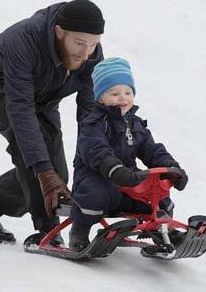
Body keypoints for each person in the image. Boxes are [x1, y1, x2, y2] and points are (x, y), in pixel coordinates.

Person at [0, 0, 105, 244]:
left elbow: (89, 111)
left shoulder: (90, 53)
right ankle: (47, 229)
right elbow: (20, 109)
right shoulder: (24, 39)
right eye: (80, 43)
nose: (86, 53)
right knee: (33, 154)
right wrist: (43, 172)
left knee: (58, 173)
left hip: (43, 96)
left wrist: (96, 157)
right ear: (60, 32)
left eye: (93, 44)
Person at [68, 57, 189, 251]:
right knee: (95, 192)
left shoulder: (135, 123)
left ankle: (163, 229)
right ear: (100, 97)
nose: (123, 98)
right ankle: (79, 230)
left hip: (128, 180)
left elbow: (151, 149)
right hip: (97, 177)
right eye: (114, 93)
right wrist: (115, 169)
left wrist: (171, 167)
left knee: (157, 191)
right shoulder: (93, 122)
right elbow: (95, 149)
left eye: (128, 92)